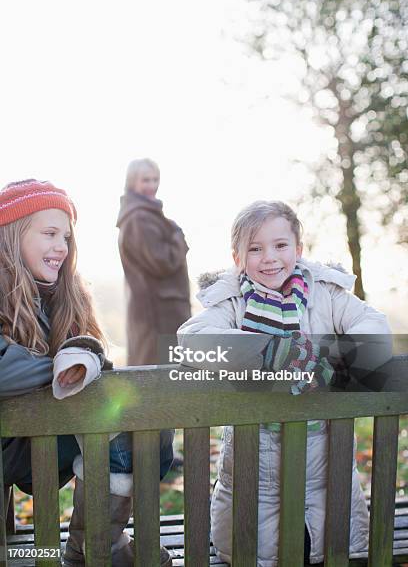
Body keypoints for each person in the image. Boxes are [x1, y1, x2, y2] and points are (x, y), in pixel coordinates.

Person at [178, 200, 392, 566]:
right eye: (255, 248)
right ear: (238, 257)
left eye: (280, 245)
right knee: (260, 554)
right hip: (255, 477)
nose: (269, 258)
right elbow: (193, 340)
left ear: (299, 249)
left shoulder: (324, 293)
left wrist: (326, 362)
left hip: (324, 475)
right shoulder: (233, 301)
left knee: (321, 551)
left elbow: (375, 329)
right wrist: (278, 355)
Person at [0, 179, 173, 567]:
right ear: (10, 235)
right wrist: (66, 370)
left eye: (66, 236)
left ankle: (96, 546)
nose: (61, 246)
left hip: (44, 439)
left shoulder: (67, 295)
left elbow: (95, 358)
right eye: (49, 233)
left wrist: (86, 363)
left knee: (135, 414)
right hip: (12, 446)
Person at [117, 158, 191, 365]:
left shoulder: (147, 215)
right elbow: (163, 262)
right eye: (145, 180)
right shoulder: (139, 218)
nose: (152, 186)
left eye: (155, 179)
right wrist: (178, 236)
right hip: (157, 314)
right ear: (132, 182)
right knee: (159, 377)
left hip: (161, 311)